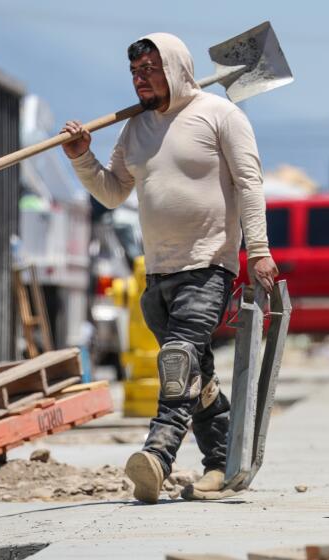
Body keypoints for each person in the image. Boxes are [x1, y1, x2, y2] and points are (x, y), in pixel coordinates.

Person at [61, 32, 278, 504]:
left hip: (208, 265)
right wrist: (82, 158)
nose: (141, 79)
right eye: (135, 72)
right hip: (157, 272)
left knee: (177, 363)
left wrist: (257, 249)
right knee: (195, 378)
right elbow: (114, 191)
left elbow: (250, 184)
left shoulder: (220, 115)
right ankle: (222, 466)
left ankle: (157, 456)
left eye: (151, 69)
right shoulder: (135, 128)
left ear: (177, 67)